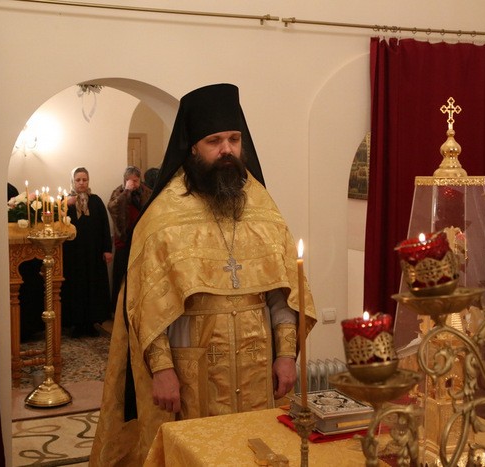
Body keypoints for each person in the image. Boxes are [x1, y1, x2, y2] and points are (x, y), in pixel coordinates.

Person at [90, 83, 316, 466]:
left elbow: (282, 293)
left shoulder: (262, 206)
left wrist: (285, 355)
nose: (227, 149)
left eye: (234, 139)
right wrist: (162, 370)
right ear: (193, 147)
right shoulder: (163, 215)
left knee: (258, 454)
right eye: (214, 141)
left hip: (257, 366)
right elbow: (145, 304)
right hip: (192, 374)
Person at [61, 167, 114, 338]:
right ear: (73, 181)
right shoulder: (65, 202)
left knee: (93, 286)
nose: (82, 183)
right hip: (73, 254)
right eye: (78, 180)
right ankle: (76, 323)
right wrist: (64, 205)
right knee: (76, 287)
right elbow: (58, 224)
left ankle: (91, 323)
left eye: (84, 180)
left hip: (93, 253)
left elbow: (105, 226)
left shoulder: (96, 201)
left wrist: (107, 249)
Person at [107, 166, 152, 312]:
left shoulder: (146, 192)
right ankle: (117, 309)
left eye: (136, 180)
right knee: (121, 275)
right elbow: (112, 207)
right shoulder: (118, 192)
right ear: (125, 180)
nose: (133, 183)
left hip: (142, 239)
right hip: (124, 240)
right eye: (130, 180)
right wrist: (126, 192)